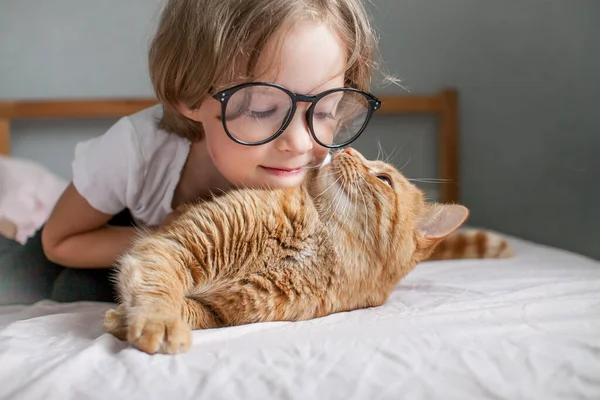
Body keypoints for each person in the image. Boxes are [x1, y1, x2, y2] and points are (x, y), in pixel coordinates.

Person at [0, 0, 388, 305]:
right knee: (28, 279)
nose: (301, 144)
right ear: (189, 94)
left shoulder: (325, 163)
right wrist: (167, 235)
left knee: (81, 291)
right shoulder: (135, 151)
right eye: (262, 108)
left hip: (179, 265)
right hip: (117, 228)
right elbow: (61, 241)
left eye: (324, 110)